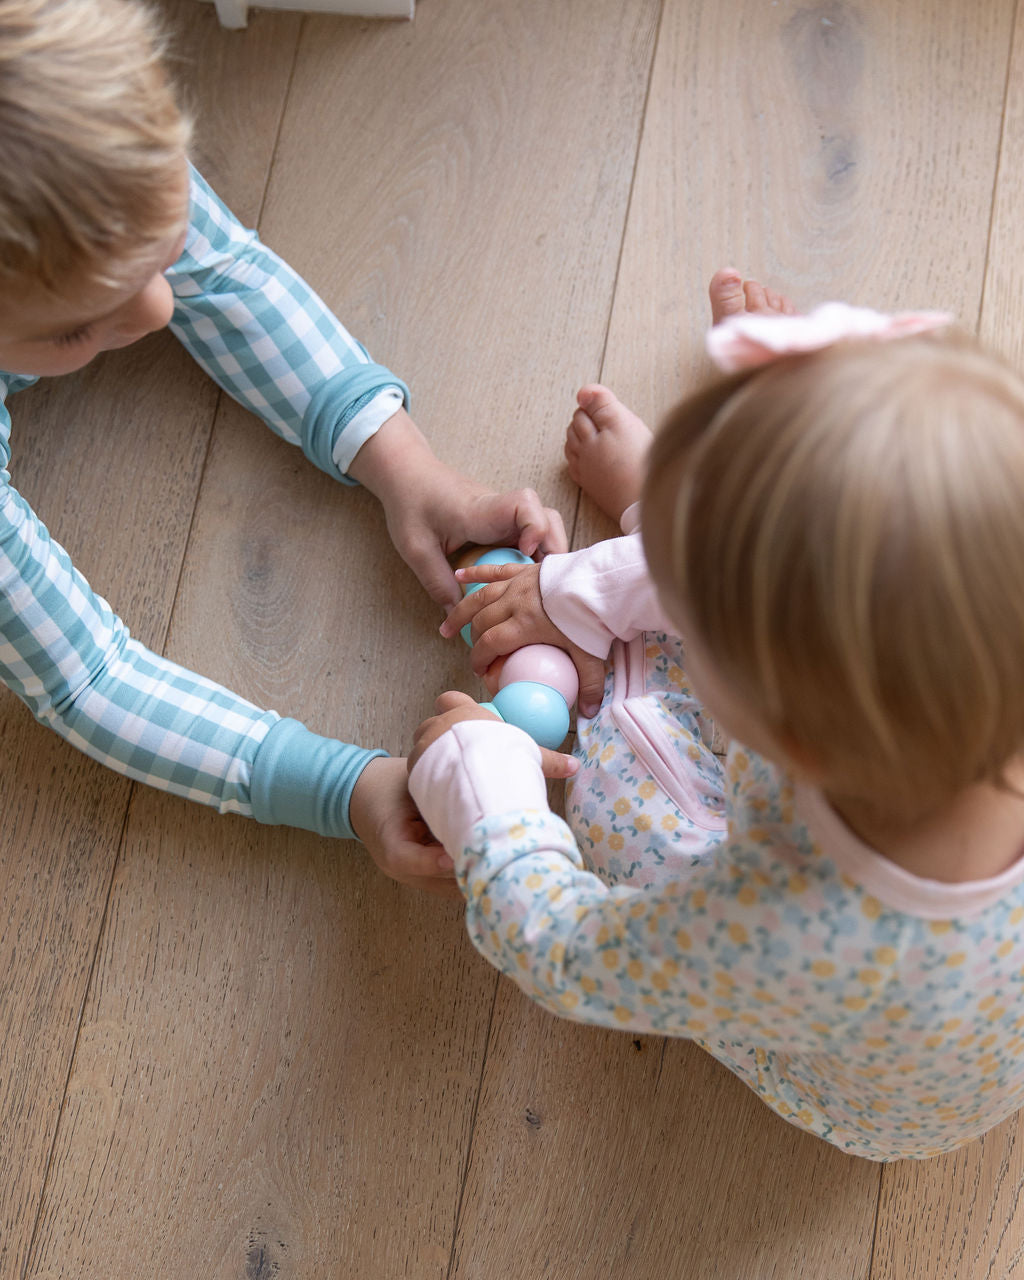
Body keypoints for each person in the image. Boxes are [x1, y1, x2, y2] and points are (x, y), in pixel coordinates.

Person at [408, 269, 1024, 1159]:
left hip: (854, 1069)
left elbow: (566, 949)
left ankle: (630, 636)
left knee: (622, 804)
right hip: (952, 1003)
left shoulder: (775, 934)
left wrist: (486, 787)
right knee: (848, 577)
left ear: (787, 742)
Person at [0, 0, 568, 894]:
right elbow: (87, 680)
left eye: (164, 239)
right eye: (78, 327)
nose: (157, 309)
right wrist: (342, 787)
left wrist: (401, 463)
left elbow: (225, 279)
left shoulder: (78, 129)